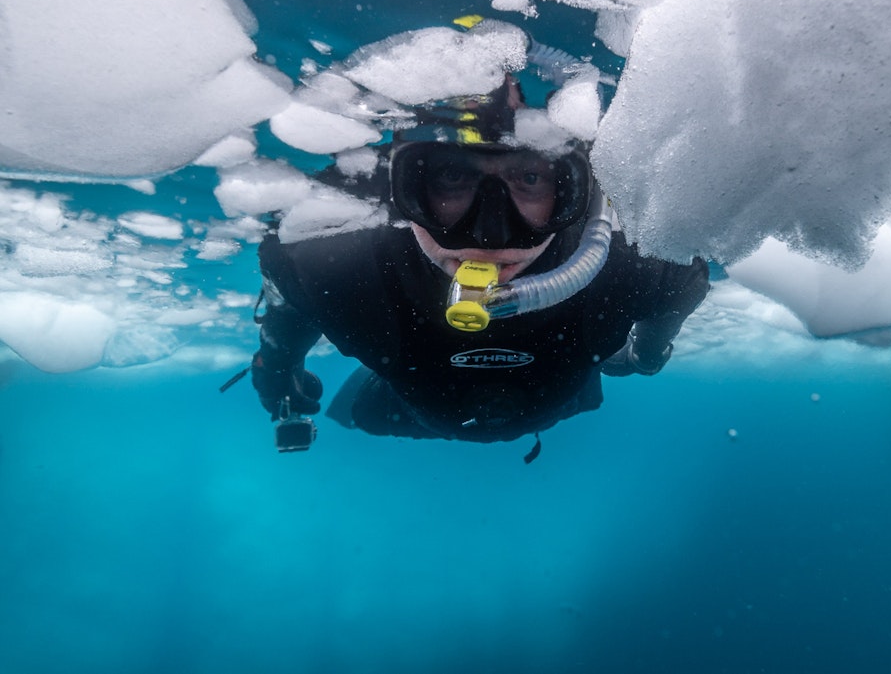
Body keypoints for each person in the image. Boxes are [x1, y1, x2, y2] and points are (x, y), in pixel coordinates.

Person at [248, 75, 709, 458]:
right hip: (474, 405)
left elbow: (678, 291)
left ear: (579, 194)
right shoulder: (330, 262)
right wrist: (641, 359)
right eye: (451, 176)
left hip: (424, 406)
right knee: (358, 415)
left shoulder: (634, 262)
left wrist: (279, 375)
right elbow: (289, 310)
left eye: (531, 177)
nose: (490, 237)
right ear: (400, 187)